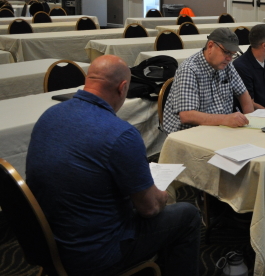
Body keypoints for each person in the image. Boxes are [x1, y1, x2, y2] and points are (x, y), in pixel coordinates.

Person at [26, 55, 201, 276]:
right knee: (187, 214)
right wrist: (161, 195)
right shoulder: (120, 134)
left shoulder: (49, 116)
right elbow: (150, 209)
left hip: (49, 242)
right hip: (96, 254)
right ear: (123, 87)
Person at [163, 28, 253, 133]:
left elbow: (243, 94)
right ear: (210, 46)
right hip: (189, 132)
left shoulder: (227, 65)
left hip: (219, 129)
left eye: (232, 54)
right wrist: (225, 119)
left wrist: (250, 125)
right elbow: (187, 116)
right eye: (226, 52)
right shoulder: (189, 70)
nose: (229, 58)